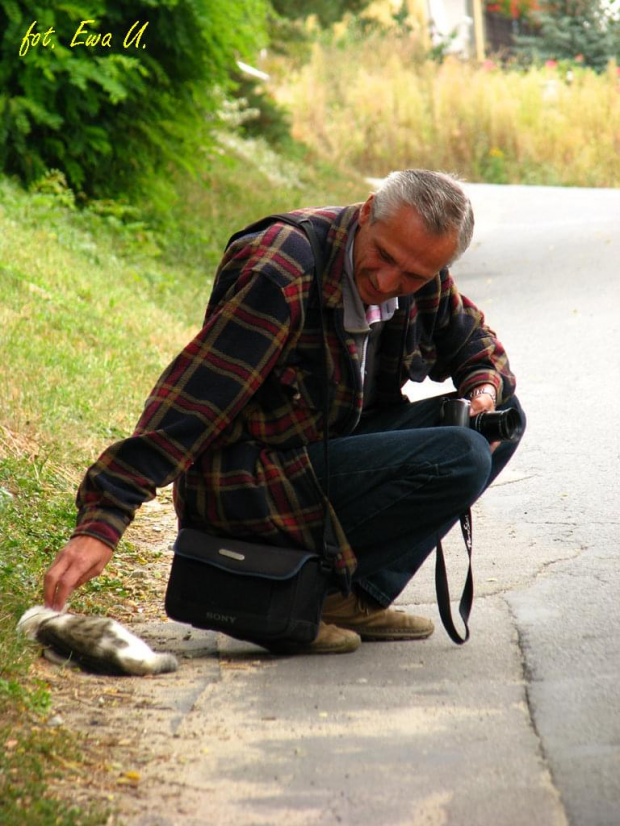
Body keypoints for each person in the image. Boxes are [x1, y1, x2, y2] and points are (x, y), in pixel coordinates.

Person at [44, 169, 525, 655]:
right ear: (366, 212)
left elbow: (476, 346)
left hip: (323, 456)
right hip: (244, 481)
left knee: (501, 416)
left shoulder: (421, 274)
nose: (386, 281)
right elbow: (193, 401)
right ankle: (283, 590)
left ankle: (344, 597)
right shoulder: (282, 268)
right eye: (383, 257)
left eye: (412, 276)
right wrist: (104, 518)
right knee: (461, 453)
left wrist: (483, 387)